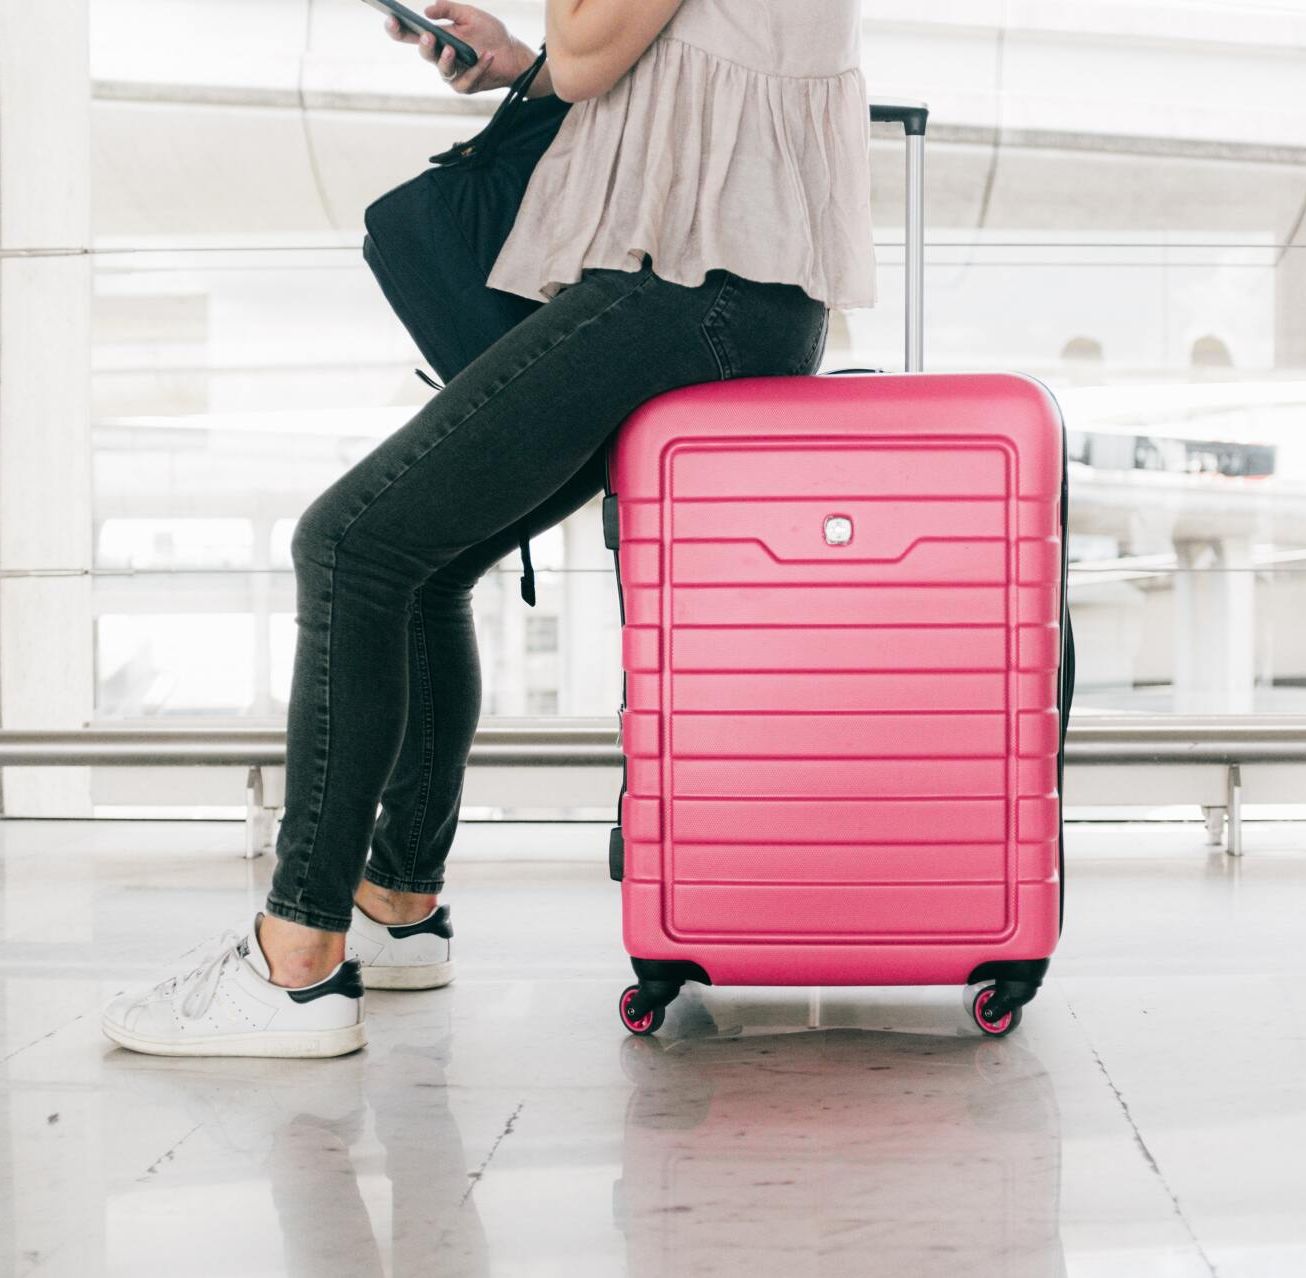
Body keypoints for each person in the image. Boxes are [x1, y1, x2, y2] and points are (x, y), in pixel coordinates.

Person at [101, 0, 877, 1058]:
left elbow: (597, 49)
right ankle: (394, 904)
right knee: (420, 566)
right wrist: (522, 64)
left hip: (685, 289)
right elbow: (622, 52)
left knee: (349, 545)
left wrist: (562, 51)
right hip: (724, 291)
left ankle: (294, 963)